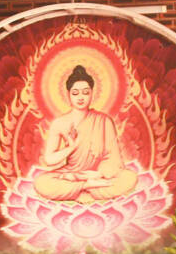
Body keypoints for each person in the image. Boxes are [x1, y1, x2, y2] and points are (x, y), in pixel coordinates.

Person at [33, 64, 138, 203]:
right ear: (68, 95)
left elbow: (114, 159)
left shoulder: (104, 121)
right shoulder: (60, 123)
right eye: (75, 93)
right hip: (72, 173)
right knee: (41, 182)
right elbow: (49, 159)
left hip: (97, 174)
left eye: (85, 92)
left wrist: (97, 174)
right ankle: (86, 187)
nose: (81, 97)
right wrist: (71, 147)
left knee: (130, 177)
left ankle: (78, 191)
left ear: (92, 93)